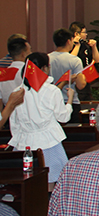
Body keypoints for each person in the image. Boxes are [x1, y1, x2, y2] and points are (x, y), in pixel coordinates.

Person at [10, 52, 73, 184]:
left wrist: (19, 136)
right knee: (51, 181)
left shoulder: (17, 92)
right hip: (48, 142)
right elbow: (63, 117)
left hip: (24, 143)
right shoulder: (51, 90)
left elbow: (14, 123)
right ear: (45, 68)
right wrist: (70, 101)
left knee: (26, 183)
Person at [49, 28, 87, 123]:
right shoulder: (75, 60)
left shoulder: (47, 58)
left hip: (51, 101)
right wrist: (83, 78)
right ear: (68, 41)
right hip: (71, 101)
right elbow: (80, 85)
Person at [1, 37, 30, 105]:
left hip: (8, 109)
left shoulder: (3, 74)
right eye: (29, 51)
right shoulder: (27, 71)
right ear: (23, 54)